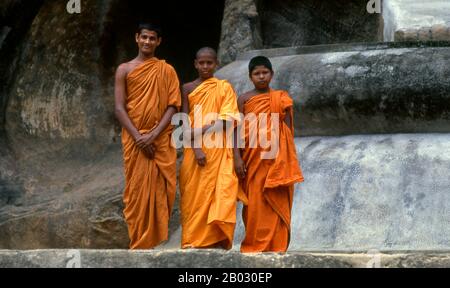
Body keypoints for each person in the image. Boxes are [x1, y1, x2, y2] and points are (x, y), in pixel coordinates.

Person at [114, 23, 181, 249]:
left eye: (152, 38)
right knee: (135, 194)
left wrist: (152, 136)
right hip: (134, 142)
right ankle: (138, 243)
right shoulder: (124, 69)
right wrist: (139, 138)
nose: (147, 42)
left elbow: (173, 106)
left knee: (160, 191)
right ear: (136, 38)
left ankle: (151, 245)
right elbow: (119, 108)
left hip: (158, 140)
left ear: (158, 42)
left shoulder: (167, 70)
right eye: (144, 37)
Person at [233, 55, 304, 253]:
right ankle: (255, 244)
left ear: (272, 74)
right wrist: (237, 157)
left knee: (275, 199)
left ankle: (276, 246)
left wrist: (286, 160)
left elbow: (288, 133)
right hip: (251, 158)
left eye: (265, 73)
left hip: (276, 160)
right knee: (254, 203)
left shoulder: (281, 98)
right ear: (250, 77)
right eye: (257, 73)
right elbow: (236, 129)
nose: (261, 77)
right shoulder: (244, 99)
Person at [179, 47, 244, 249]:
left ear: (216, 64)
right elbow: (184, 122)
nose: (206, 66)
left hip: (219, 150)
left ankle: (215, 240)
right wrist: (197, 148)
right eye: (202, 63)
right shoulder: (188, 88)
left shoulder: (224, 87)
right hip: (195, 150)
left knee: (222, 193)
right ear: (195, 64)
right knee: (193, 197)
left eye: (210, 63)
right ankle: (194, 240)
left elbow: (229, 121)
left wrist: (237, 156)